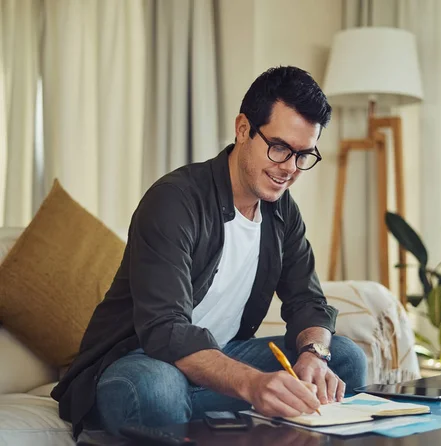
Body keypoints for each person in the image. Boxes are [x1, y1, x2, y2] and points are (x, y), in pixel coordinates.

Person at [51, 66, 368, 438]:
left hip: (220, 357)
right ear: (243, 129)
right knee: (158, 390)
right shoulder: (174, 201)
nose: (289, 169)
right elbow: (164, 329)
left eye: (303, 155)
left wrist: (314, 354)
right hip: (140, 362)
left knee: (344, 358)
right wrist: (252, 384)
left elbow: (307, 301)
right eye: (280, 147)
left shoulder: (281, 210)